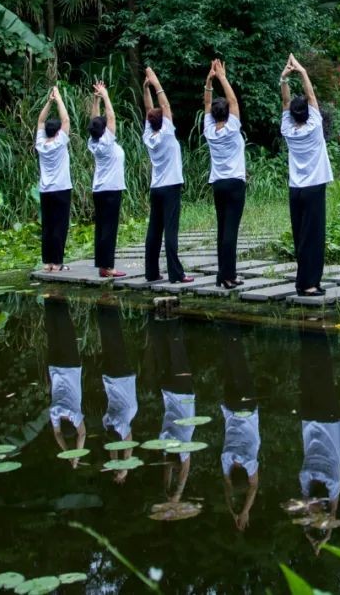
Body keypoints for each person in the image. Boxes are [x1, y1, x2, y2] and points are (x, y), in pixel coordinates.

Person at [280, 54, 334, 296]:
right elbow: (311, 96)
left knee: (300, 235)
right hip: (313, 188)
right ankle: (309, 284)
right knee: (313, 237)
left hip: (296, 189)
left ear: (292, 115)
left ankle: (302, 281)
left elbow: (285, 103)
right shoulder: (314, 128)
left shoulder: (288, 129)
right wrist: (301, 72)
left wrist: (284, 79)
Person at [142, 67, 193, 284]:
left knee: (154, 230)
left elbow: (149, 110)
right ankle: (176, 273)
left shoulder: (149, 136)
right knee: (170, 231)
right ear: (165, 122)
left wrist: (145, 89)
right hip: (171, 186)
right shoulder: (167, 134)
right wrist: (155, 83)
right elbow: (164, 106)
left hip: (156, 188)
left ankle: (151, 272)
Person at [297, 329, 340, 555]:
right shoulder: (332, 482)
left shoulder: (307, 482)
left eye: (310, 513)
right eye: (314, 511)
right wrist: (323, 538)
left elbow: (306, 503)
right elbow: (332, 514)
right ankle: (319, 331)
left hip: (310, 418)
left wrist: (312, 535)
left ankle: (306, 331)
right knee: (322, 371)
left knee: (308, 370)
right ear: (324, 507)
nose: (310, 511)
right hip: (327, 419)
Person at [203, 59, 246, 289]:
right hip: (235, 183)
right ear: (228, 114)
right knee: (231, 231)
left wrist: (210, 81)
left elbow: (208, 103)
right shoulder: (233, 127)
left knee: (222, 227)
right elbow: (233, 100)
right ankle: (229, 276)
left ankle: (222, 274)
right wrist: (222, 77)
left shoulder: (209, 130)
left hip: (218, 183)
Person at [149, 315, 195, 501]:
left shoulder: (183, 444)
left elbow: (183, 469)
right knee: (163, 350)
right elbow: (167, 466)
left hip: (182, 390)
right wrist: (167, 489)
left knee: (177, 349)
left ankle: (172, 317)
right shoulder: (165, 442)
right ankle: (156, 318)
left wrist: (177, 493)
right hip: (167, 390)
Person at [219, 323, 259, 532]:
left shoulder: (250, 461)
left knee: (240, 366)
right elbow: (227, 487)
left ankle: (232, 332)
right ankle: (226, 331)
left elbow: (253, 487)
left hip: (246, 407)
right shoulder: (225, 460)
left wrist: (244, 511)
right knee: (229, 367)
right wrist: (233, 510)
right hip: (230, 406)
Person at [88, 81, 127, 278]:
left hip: (99, 189)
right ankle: (108, 267)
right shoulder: (106, 141)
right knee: (109, 229)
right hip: (111, 189)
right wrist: (105, 95)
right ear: (105, 130)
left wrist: (96, 99)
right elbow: (111, 116)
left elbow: (95, 120)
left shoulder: (93, 141)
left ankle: (102, 265)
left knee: (102, 227)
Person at [97, 305, 137, 483]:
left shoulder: (121, 424)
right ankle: (104, 309)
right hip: (113, 377)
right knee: (110, 340)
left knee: (115, 340)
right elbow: (118, 445)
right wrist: (118, 466)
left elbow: (126, 444)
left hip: (121, 377)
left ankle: (108, 309)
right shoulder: (108, 423)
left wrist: (123, 468)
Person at [35, 86, 72, 271]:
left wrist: (49, 101)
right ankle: (57, 263)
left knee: (48, 227)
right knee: (60, 227)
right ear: (58, 132)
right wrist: (58, 99)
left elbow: (40, 120)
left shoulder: (40, 143)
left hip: (45, 190)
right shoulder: (60, 142)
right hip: (62, 189)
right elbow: (66, 119)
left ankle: (47, 262)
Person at [45, 299, 85, 468]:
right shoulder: (54, 413)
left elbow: (82, 435)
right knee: (53, 333)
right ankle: (49, 300)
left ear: (74, 425)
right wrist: (66, 451)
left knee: (66, 330)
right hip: (54, 367)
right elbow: (58, 434)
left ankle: (60, 300)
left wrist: (75, 456)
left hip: (71, 366)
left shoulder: (74, 413)